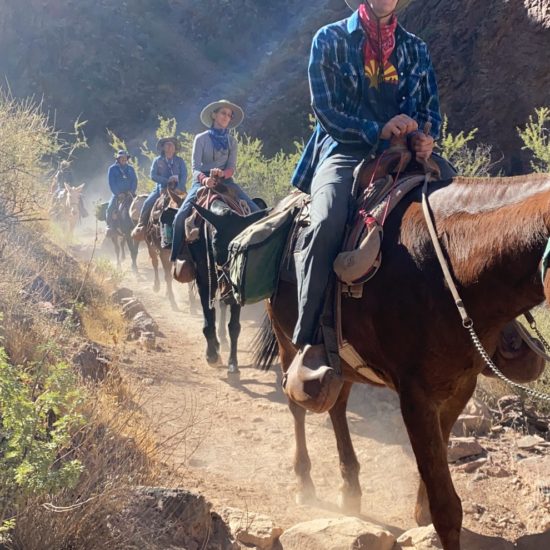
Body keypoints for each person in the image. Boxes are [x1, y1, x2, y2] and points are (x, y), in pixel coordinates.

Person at [290, 0, 456, 349]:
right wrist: (377, 129)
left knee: (461, 204)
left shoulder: (416, 48)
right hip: (345, 148)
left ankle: (470, 328)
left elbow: (430, 111)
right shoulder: (330, 39)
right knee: (326, 221)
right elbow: (326, 111)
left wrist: (424, 137)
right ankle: (308, 338)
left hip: (405, 151)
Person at [170, 99, 259, 262]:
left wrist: (223, 174)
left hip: (226, 181)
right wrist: (205, 180)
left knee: (256, 211)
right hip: (202, 181)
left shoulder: (232, 141)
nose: (226, 117)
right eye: (223, 113)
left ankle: (256, 253)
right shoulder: (201, 138)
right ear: (214, 115)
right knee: (180, 217)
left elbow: (232, 167)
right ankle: (177, 256)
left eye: (229, 115)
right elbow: (195, 168)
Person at [131, 137, 187, 241]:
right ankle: (141, 225)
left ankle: (192, 227)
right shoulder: (157, 161)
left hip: (179, 189)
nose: (170, 147)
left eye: (172, 145)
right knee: (148, 202)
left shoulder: (180, 161)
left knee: (190, 203)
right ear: (163, 147)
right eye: (167, 145)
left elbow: (184, 175)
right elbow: (152, 175)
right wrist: (166, 181)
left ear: (175, 148)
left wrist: (179, 187)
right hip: (161, 188)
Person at [106, 150, 138, 229]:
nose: (124, 159)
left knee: (140, 206)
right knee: (110, 209)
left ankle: (141, 226)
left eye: (125, 157)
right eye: (121, 158)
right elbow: (111, 183)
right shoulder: (112, 169)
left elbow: (135, 180)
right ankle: (110, 227)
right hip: (117, 195)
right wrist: (118, 193)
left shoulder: (131, 168)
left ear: (127, 159)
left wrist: (132, 191)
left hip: (130, 194)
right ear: (118, 159)